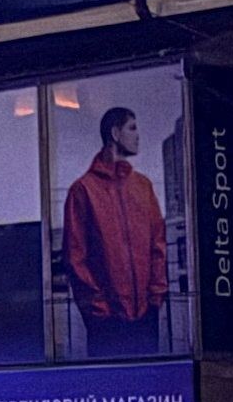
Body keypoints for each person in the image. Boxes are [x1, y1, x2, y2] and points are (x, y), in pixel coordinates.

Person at [61, 104, 172, 356]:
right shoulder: (83, 190)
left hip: (145, 316)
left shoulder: (143, 186)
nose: (138, 135)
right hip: (106, 323)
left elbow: (158, 245)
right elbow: (75, 256)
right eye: (132, 128)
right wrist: (97, 308)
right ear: (115, 133)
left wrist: (155, 298)